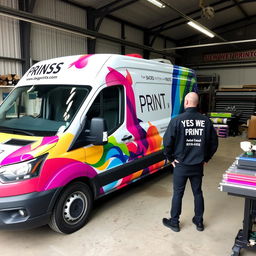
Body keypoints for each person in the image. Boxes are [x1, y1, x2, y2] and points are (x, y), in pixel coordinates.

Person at [162, 92, 218, 232]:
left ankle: (174, 222)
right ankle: (199, 222)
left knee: (178, 193)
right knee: (197, 192)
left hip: (181, 164)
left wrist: (170, 158)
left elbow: (167, 142)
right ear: (197, 103)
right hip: (197, 165)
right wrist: (206, 158)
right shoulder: (205, 121)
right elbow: (214, 143)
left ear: (186, 102)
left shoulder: (177, 120)